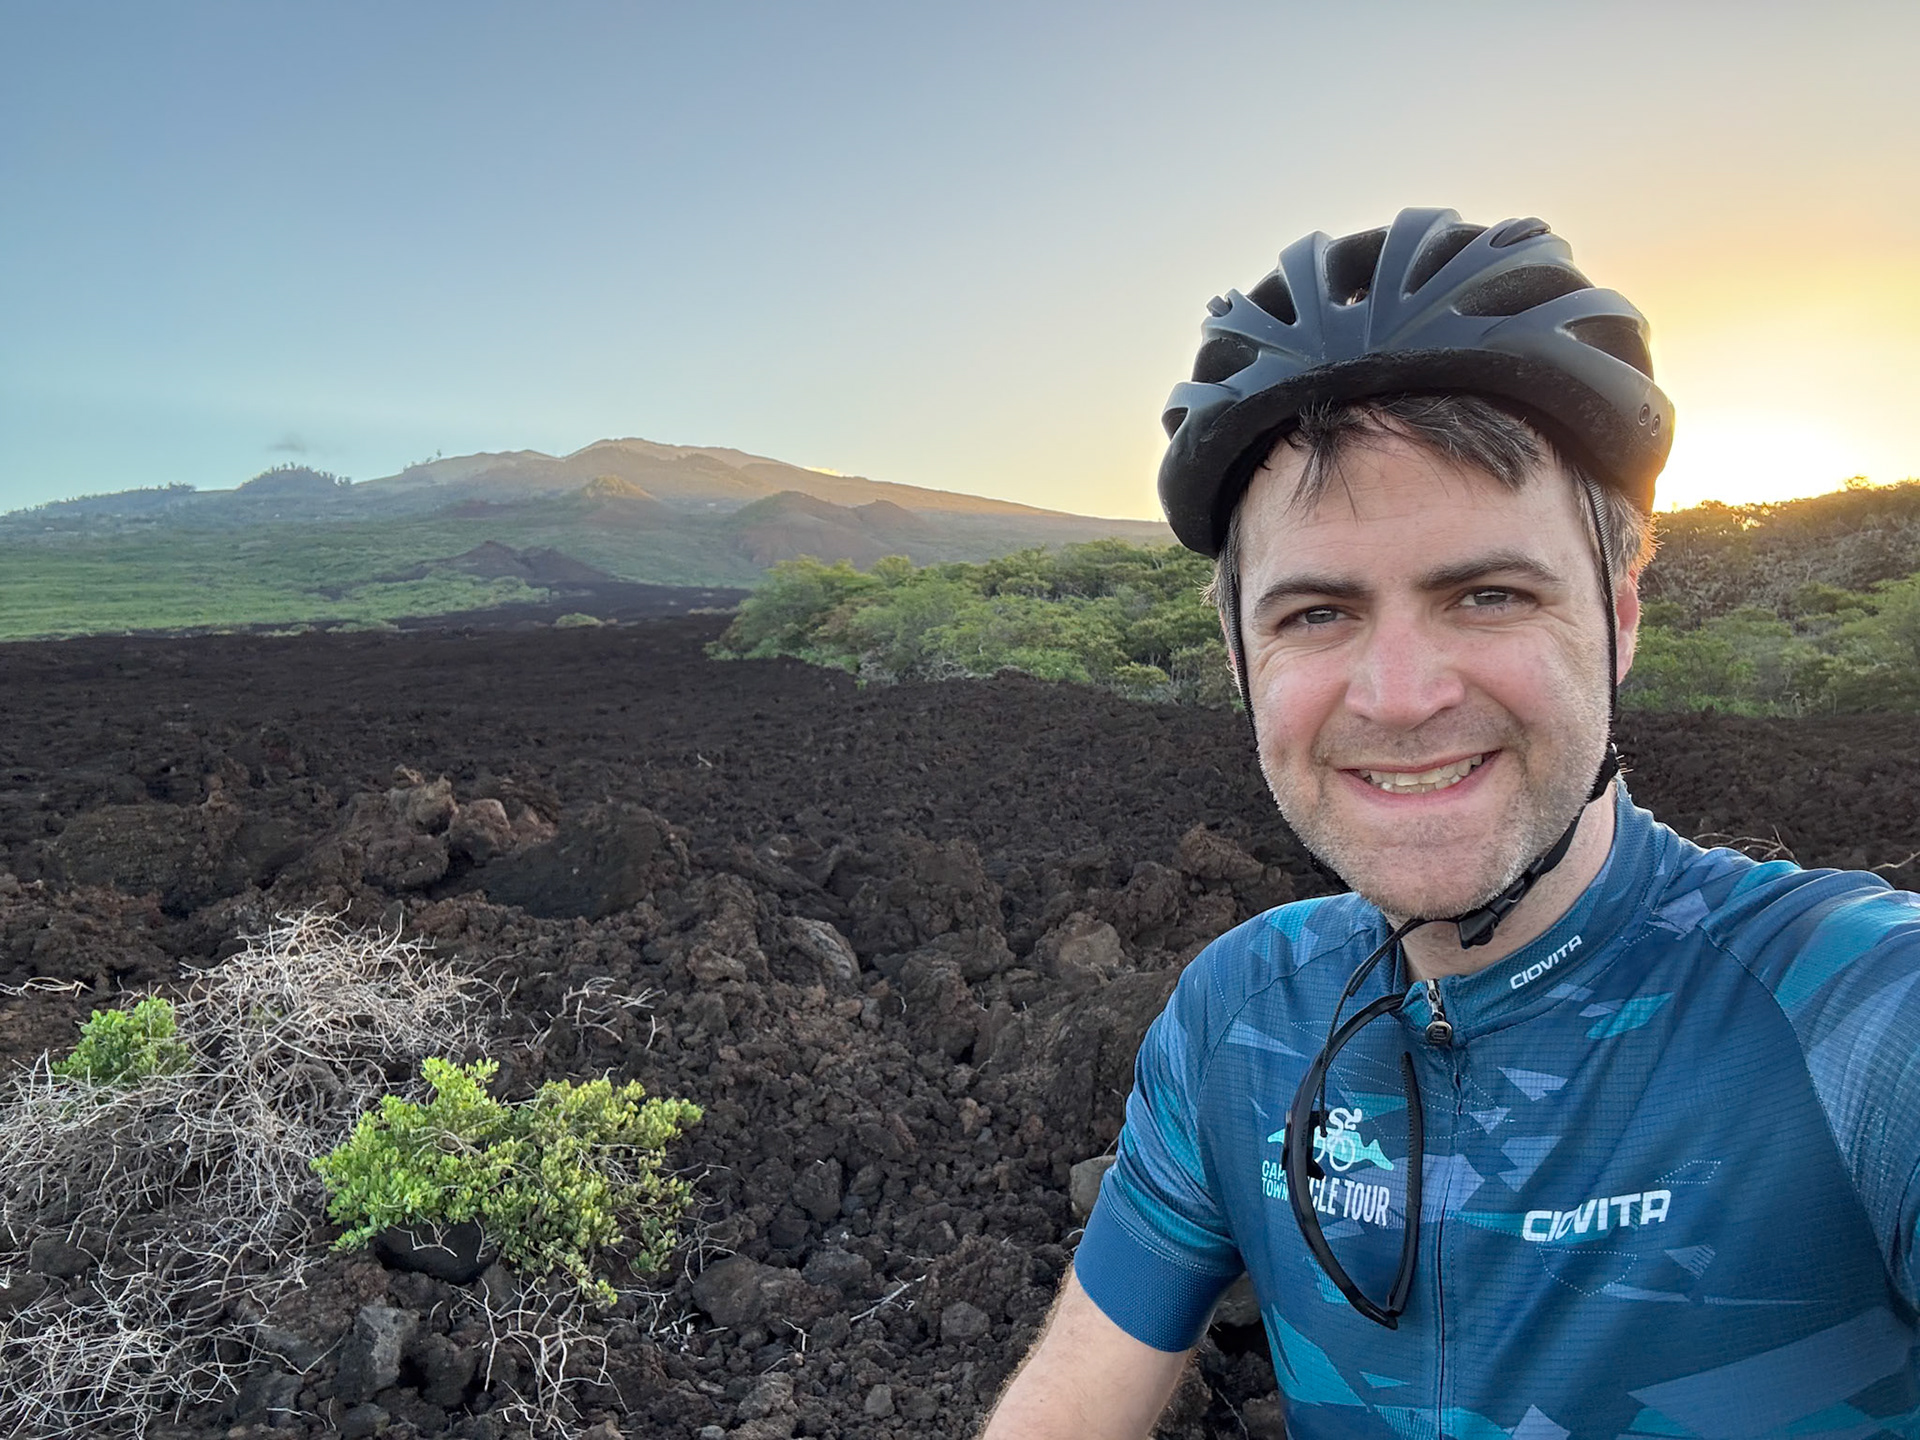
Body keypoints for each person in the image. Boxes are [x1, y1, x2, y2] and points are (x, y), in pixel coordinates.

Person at [981, 208, 1920, 1439]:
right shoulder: (1239, 1021)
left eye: (1487, 593)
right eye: (1316, 614)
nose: (1402, 695)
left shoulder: (1853, 1019)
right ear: (1238, 657)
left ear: (1620, 611)